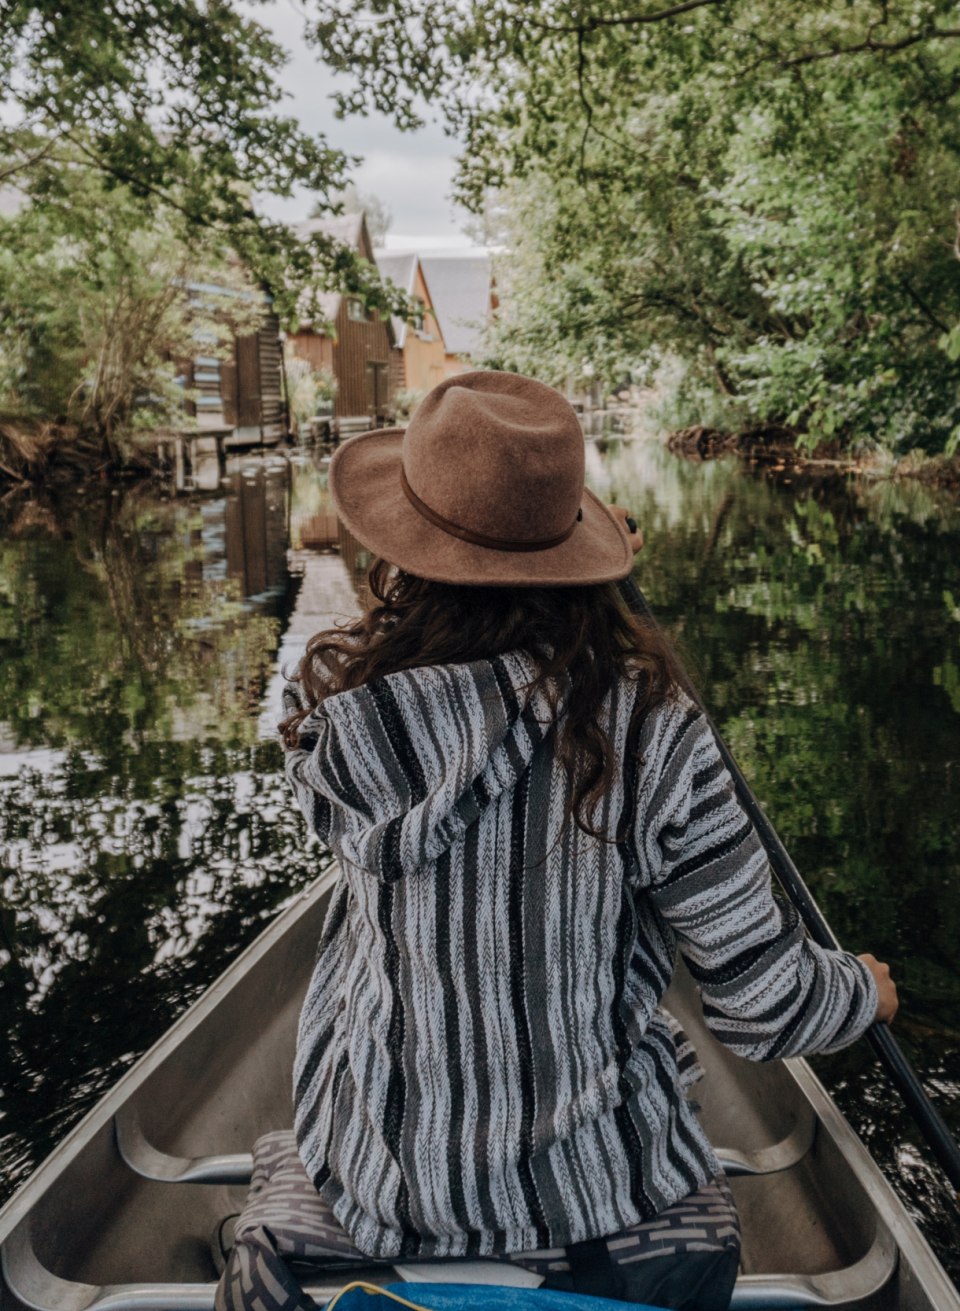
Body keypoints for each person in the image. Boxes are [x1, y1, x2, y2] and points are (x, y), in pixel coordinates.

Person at [216, 370, 897, 1311]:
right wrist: (862, 988)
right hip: (601, 1195)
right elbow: (762, 1009)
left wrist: (539, 552)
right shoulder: (652, 727)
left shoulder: (330, 712)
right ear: (574, 550)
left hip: (377, 1184)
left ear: (397, 549)